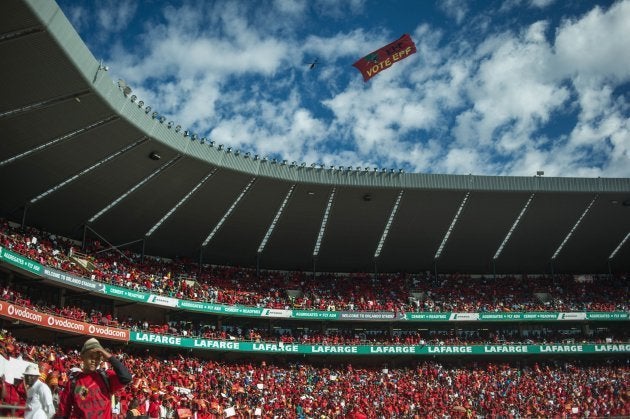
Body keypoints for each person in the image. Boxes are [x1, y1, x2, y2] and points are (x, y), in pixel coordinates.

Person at [58, 338, 132, 418]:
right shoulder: (73, 382)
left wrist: (108, 356)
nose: (94, 360)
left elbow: (126, 378)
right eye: (90, 356)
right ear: (82, 357)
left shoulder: (106, 377)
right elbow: (63, 412)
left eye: (97, 358)